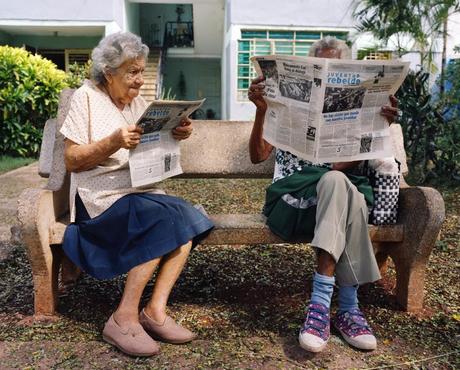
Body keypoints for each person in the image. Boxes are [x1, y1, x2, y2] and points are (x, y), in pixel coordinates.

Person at [60, 32, 214, 357]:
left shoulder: (138, 104)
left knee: (184, 218)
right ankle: (123, 317)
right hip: (100, 202)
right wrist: (112, 142)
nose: (139, 80)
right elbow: (72, 160)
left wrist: (176, 131)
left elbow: (153, 143)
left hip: (138, 193)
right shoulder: (86, 98)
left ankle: (154, 311)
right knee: (161, 219)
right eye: (132, 72)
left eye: (142, 71)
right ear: (108, 72)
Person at [248, 37, 399, 353]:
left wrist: (376, 126)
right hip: (289, 201)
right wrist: (261, 111)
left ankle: (323, 311)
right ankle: (347, 308)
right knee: (345, 192)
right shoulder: (286, 104)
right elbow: (258, 156)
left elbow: (337, 166)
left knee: (337, 184)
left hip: (329, 200)